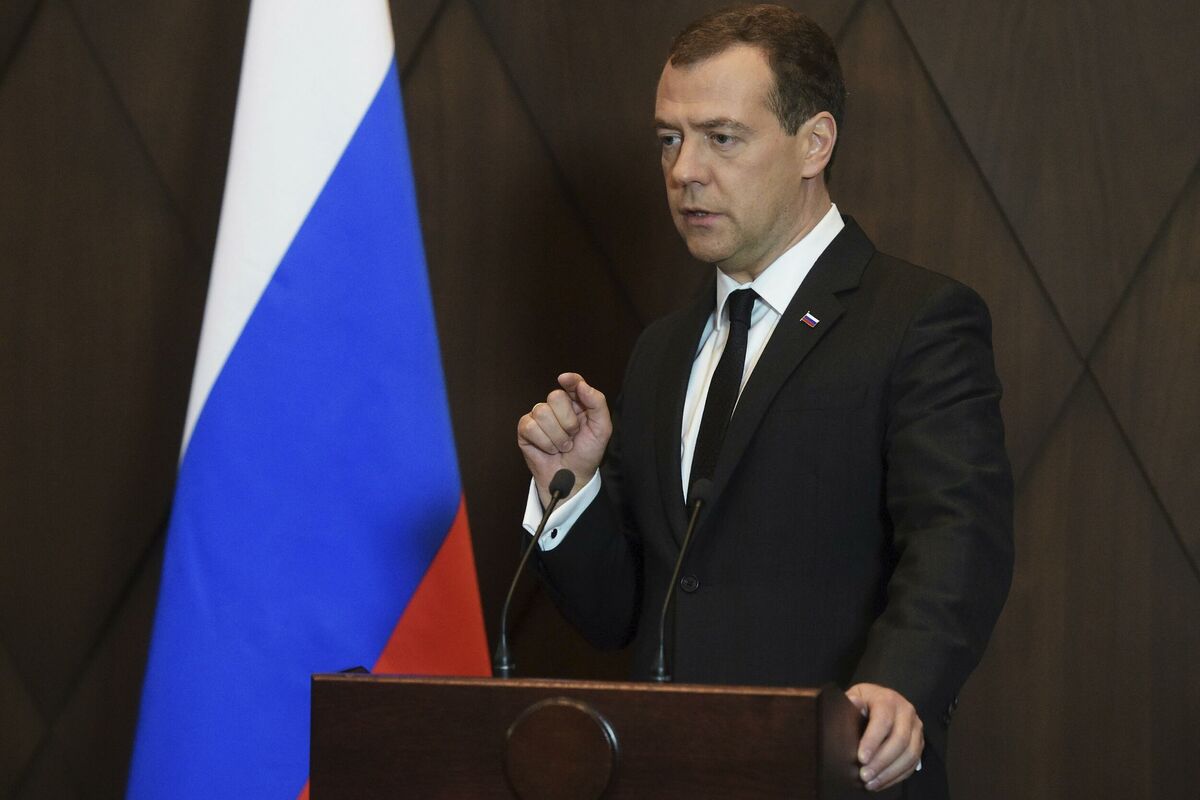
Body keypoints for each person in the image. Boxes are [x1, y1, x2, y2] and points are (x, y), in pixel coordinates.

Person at [516, 5, 1012, 798]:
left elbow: (958, 538)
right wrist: (568, 493)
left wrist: (900, 686)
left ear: (814, 143)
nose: (684, 171)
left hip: (835, 770)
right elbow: (620, 616)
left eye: (721, 138)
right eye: (669, 140)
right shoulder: (661, 351)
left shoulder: (917, 320)